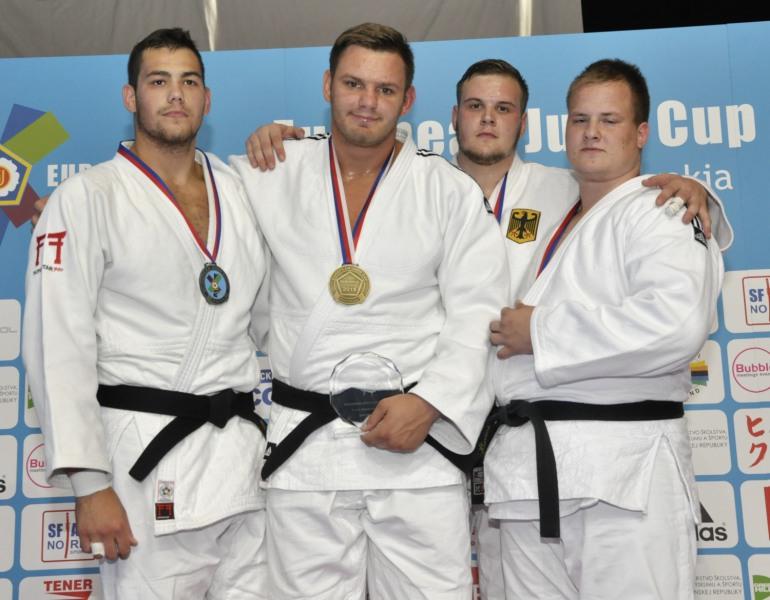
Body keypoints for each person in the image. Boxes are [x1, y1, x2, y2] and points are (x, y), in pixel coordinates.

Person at [245, 57, 732, 600]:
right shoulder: (423, 184)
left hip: (602, 457)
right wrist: (285, 145)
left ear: (524, 122)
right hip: (502, 452)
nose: (488, 119)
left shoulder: (576, 191)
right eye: (475, 106)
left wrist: (692, 189)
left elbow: (669, 298)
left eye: (503, 108)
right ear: (453, 116)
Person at [229, 23, 508, 599]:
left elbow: (478, 313)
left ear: (408, 100)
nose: (367, 101)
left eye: (385, 89)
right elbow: (190, 201)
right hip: (307, 447)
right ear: (327, 85)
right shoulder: (270, 171)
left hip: (415, 446)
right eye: (353, 84)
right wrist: (79, 210)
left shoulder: (447, 189)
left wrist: (430, 403)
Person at [22, 28, 269, 600]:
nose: (176, 94)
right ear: (131, 97)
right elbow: (58, 346)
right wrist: (89, 484)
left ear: (207, 98)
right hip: (142, 461)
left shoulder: (240, 191)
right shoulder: (86, 197)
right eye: (159, 81)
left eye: (190, 81)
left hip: (241, 459)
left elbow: (273, 318)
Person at [484, 59, 724, 599]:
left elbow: (677, 325)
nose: (591, 132)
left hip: (623, 472)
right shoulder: (551, 212)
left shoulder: (663, 209)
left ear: (641, 133)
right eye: (580, 119)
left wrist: (541, 332)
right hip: (527, 470)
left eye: (609, 120)